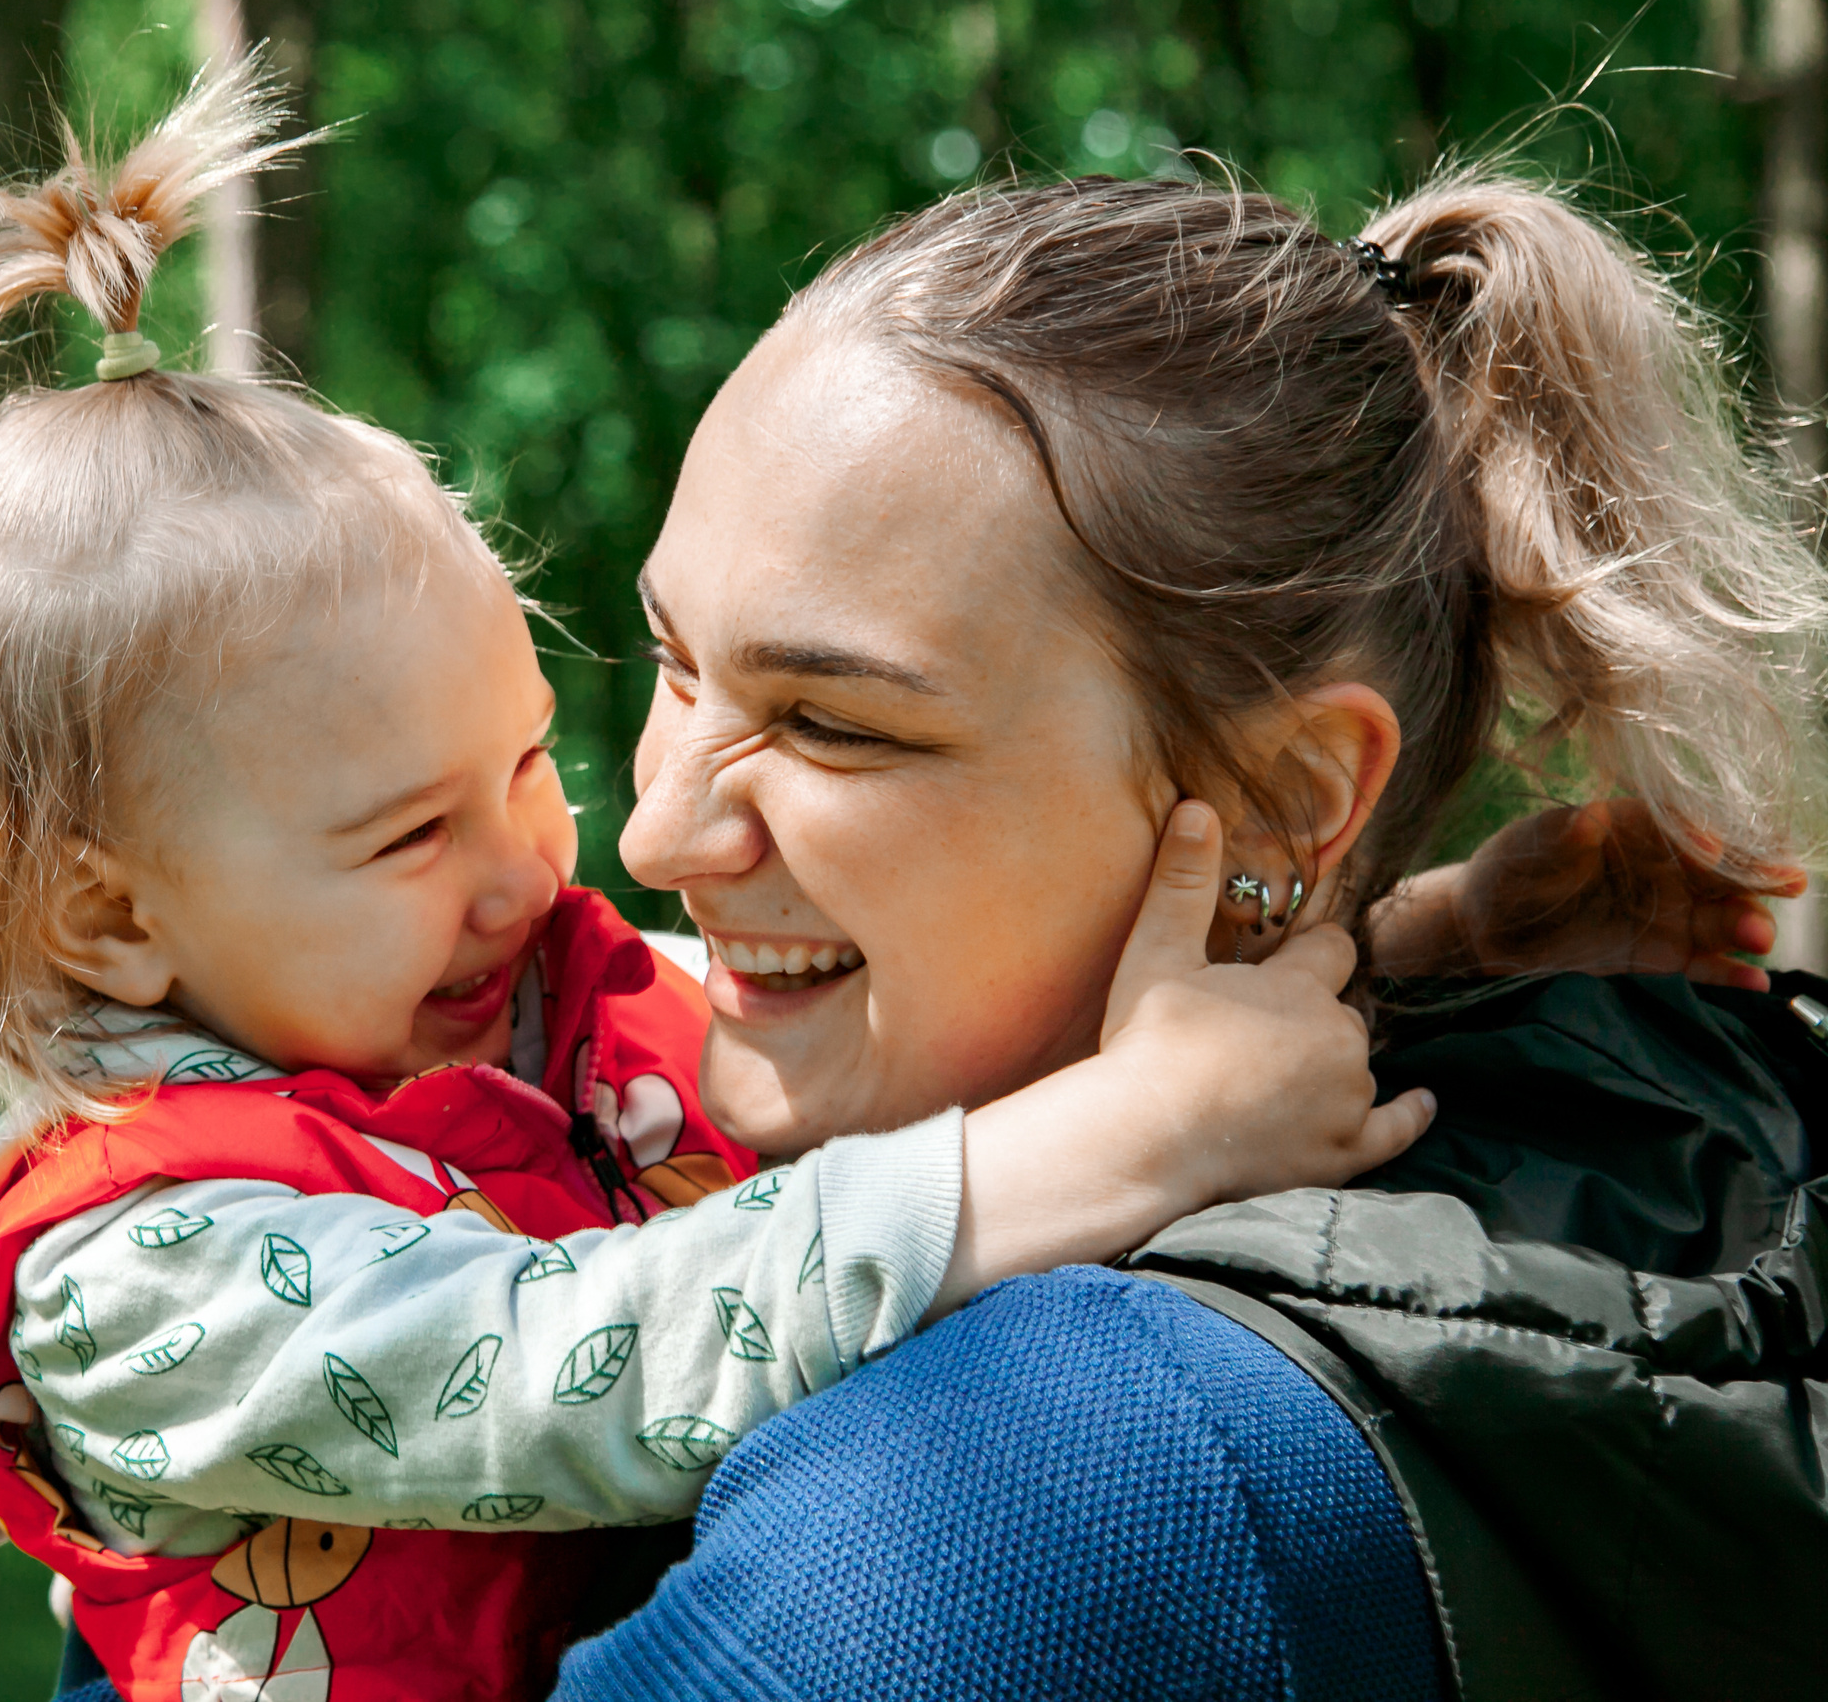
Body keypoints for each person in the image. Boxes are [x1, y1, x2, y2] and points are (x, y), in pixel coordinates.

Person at [0, 69, 1433, 1701]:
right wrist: (1137, 1133)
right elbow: (582, 1360)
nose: (576, 856)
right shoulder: (134, 1280)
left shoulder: (468, 999)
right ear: (110, 920)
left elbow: (935, 990)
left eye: (527, 762)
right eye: (405, 835)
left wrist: (1405, 923)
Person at [553, 171, 1828, 1700]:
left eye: (831, 724)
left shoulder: (982, 1519)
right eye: (674, 662)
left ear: (1289, 798)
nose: (655, 835)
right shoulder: (1663, 1142)